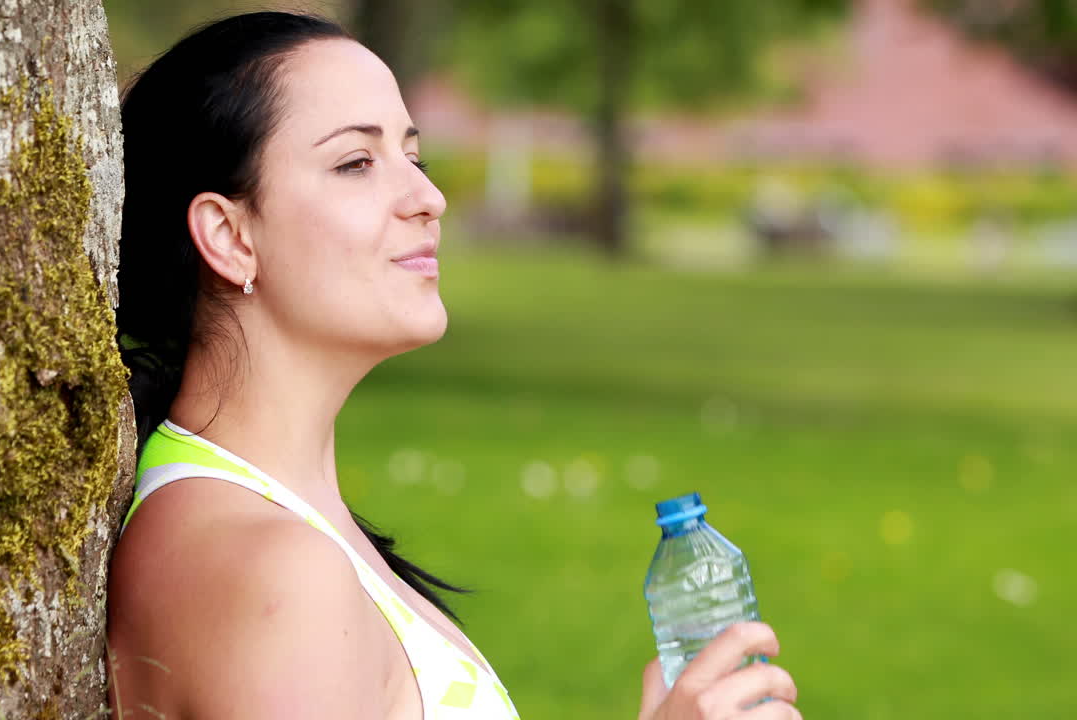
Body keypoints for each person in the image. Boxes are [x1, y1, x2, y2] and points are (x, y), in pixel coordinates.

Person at [105, 11, 801, 720]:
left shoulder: (273, 524)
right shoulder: (274, 573)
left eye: (415, 158)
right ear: (229, 235)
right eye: (355, 163)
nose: (428, 199)